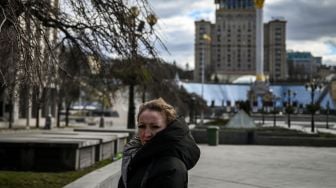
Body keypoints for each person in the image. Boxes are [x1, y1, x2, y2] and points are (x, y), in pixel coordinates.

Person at [118, 98, 200, 188]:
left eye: (155, 127)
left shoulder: (170, 168)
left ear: (168, 128)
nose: (147, 134)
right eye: (142, 126)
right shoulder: (139, 155)